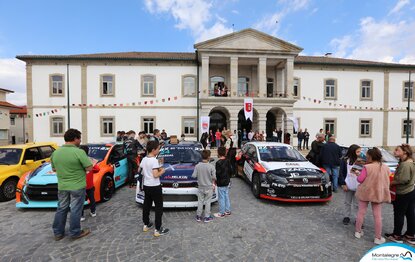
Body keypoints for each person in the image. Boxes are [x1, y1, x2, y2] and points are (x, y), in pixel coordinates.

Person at [51, 129, 92, 241]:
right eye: (79, 138)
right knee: (75, 209)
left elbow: (54, 168)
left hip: (63, 186)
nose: (80, 141)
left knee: (61, 208)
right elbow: (89, 167)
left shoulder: (56, 152)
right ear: (75, 139)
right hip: (77, 186)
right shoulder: (79, 152)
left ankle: (58, 233)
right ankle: (75, 232)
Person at [355, 147, 391, 245]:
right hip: (378, 193)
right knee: (378, 216)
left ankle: (358, 232)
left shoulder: (367, 167)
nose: (366, 157)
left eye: (367, 156)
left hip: (366, 191)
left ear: (370, 156)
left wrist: (358, 174)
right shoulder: (386, 167)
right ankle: (377, 237)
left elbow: (360, 180)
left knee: (361, 212)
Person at [385, 144, 415, 244]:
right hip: (410, 191)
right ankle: (410, 235)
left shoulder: (406, 164)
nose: (395, 151)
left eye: (397, 150)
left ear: (405, 152)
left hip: (403, 192)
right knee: (410, 213)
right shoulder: (408, 162)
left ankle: (396, 235)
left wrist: (391, 183)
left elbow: (404, 179)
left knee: (399, 214)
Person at [140, 140, 169, 237]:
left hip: (146, 185)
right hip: (155, 186)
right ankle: (158, 229)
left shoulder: (144, 159)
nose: (159, 150)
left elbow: (141, 171)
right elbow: (156, 175)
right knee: (158, 207)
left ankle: (146, 224)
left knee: (146, 205)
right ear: (153, 150)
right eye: (158, 149)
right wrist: (162, 171)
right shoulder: (154, 160)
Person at [339, 144, 362, 225]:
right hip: (348, 184)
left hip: (358, 185)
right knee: (347, 202)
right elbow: (341, 172)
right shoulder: (344, 160)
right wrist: (343, 184)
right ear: (353, 152)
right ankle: (346, 216)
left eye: (360, 151)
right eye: (358, 151)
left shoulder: (360, 161)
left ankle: (357, 219)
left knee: (357, 204)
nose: (359, 153)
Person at [192, 150, 216, 223]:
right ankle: (207, 217)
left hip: (201, 187)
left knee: (200, 201)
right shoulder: (211, 166)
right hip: (209, 187)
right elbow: (214, 177)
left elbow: (194, 176)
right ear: (209, 157)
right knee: (208, 202)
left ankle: (198, 216)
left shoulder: (197, 166)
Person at [79, 145, 100, 222]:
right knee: (92, 198)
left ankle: (81, 215)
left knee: (80, 200)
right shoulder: (90, 160)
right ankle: (93, 212)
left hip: (80, 184)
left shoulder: (77, 160)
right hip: (90, 184)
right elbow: (97, 169)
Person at [214, 147, 232, 218]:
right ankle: (227, 210)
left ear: (218, 153)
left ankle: (221, 213)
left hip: (221, 182)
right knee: (226, 195)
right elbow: (231, 171)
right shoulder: (228, 161)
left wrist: (215, 181)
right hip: (227, 181)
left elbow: (218, 174)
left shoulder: (218, 163)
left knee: (221, 197)